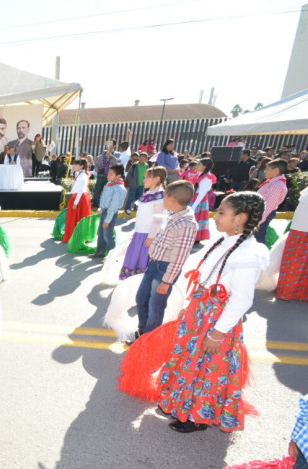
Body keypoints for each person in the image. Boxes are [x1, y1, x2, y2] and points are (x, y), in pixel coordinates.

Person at [158, 192, 269, 433]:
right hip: (201, 315)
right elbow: (207, 279)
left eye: (221, 213)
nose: (215, 217)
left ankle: (197, 417)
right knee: (188, 362)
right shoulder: (226, 241)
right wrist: (191, 306)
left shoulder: (247, 254)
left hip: (216, 323)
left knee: (206, 370)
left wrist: (217, 334)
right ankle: (178, 404)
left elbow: (241, 300)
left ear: (240, 219)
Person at [131, 180, 198, 342]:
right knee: (141, 299)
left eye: (165, 197)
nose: (163, 200)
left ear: (173, 200)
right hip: (154, 264)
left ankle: (148, 340)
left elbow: (179, 257)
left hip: (165, 269)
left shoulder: (187, 224)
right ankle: (143, 332)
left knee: (156, 306)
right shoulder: (173, 215)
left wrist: (167, 281)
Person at [120, 167, 166, 280]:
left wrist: (151, 236)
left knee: (144, 260)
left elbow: (158, 219)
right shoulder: (148, 194)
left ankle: (142, 283)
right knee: (134, 258)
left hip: (148, 235)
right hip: (139, 233)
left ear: (156, 179)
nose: (143, 180)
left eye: (146, 178)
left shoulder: (160, 196)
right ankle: (132, 282)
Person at [277, 185, 308, 301]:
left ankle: (288, 292)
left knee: (293, 262)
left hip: (299, 230)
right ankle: (295, 292)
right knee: (296, 263)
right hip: (300, 230)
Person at [93, 164, 127, 259]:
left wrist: (107, 220)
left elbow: (113, 206)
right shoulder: (109, 184)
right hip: (104, 211)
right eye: (108, 174)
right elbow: (104, 198)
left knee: (107, 235)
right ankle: (100, 251)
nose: (108, 176)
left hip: (110, 213)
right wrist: (101, 209)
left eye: (111, 174)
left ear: (118, 176)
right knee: (100, 233)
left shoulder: (119, 188)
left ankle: (113, 256)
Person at [255, 159, 289, 244]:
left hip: (263, 214)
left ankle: (260, 256)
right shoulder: (273, 183)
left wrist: (259, 221)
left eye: (267, 168)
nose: (265, 171)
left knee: (258, 239)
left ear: (276, 170)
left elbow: (269, 205)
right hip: (260, 213)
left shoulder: (276, 185)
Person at [189, 158, 218, 243]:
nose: (197, 166)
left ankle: (195, 237)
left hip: (199, 200)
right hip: (195, 198)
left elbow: (202, 193)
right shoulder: (201, 174)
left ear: (205, 166)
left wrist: (193, 206)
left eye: (199, 164)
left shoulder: (207, 177)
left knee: (197, 218)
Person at [63, 159, 91, 243]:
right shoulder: (80, 174)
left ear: (81, 166)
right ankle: (74, 236)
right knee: (73, 218)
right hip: (77, 198)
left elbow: (82, 190)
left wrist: (75, 203)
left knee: (78, 218)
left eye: (76, 165)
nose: (73, 166)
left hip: (79, 199)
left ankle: (77, 237)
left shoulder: (83, 175)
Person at [93, 141, 122, 208]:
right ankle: (95, 205)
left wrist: (111, 157)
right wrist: (96, 168)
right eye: (108, 144)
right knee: (97, 191)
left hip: (110, 177)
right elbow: (96, 163)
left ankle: (106, 205)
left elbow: (118, 163)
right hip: (100, 175)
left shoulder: (117, 154)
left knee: (108, 192)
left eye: (111, 144)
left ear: (114, 146)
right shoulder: (103, 154)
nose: (109, 146)